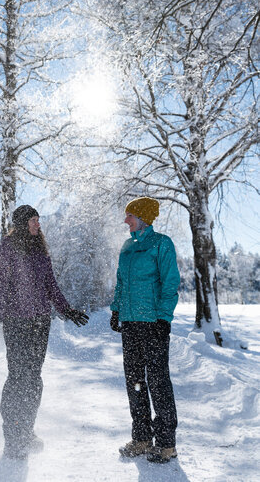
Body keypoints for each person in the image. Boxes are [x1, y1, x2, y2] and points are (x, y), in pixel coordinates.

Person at [0, 205, 89, 460]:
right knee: (18, 377)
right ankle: (12, 436)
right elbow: (1, 285)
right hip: (16, 321)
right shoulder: (7, 249)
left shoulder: (40, 251)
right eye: (34, 220)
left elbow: (51, 285)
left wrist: (66, 310)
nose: (38, 225)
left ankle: (27, 430)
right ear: (22, 223)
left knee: (34, 377)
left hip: (40, 321)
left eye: (38, 220)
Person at [110, 197, 180, 464]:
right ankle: (141, 438)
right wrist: (117, 310)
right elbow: (120, 281)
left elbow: (170, 281)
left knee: (159, 382)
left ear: (143, 217)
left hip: (153, 324)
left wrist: (164, 318)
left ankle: (165, 443)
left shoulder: (162, 243)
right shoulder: (127, 246)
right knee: (135, 380)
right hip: (130, 323)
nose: (125, 220)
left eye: (129, 215)